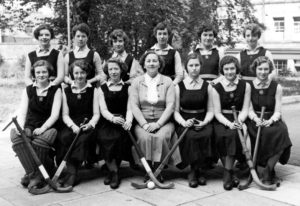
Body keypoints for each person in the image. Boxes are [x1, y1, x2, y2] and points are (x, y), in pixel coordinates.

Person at [130, 51, 181, 182]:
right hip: (143, 121)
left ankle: (158, 169)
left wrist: (158, 124)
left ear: (159, 64)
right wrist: (145, 124)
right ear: (144, 64)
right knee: (144, 137)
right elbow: (134, 106)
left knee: (161, 137)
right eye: (148, 61)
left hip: (163, 121)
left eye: (154, 61)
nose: (151, 63)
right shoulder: (136, 82)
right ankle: (148, 170)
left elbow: (170, 105)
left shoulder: (168, 81)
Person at [10, 60, 62, 190]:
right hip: (30, 125)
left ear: (49, 73)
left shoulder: (56, 90)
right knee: (18, 139)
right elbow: (23, 112)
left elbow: (55, 115)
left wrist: (43, 128)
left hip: (49, 126)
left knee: (39, 143)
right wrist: (20, 127)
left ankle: (34, 175)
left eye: (44, 71)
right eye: (38, 72)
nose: (41, 74)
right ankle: (35, 174)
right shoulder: (28, 90)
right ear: (34, 74)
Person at [247, 56, 292, 185]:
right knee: (262, 133)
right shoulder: (249, 86)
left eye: (266, 69)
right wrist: (256, 119)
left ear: (270, 69)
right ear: (255, 69)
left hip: (271, 118)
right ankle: (260, 167)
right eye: (260, 69)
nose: (263, 72)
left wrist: (270, 121)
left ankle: (268, 169)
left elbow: (278, 110)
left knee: (281, 132)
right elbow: (249, 109)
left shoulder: (276, 87)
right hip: (254, 120)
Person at [56, 60, 99, 187]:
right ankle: (71, 172)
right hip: (71, 124)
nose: (79, 76)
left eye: (82, 73)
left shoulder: (94, 90)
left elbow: (96, 113)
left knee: (82, 140)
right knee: (64, 137)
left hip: (87, 125)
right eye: (76, 73)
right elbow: (65, 114)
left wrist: (90, 124)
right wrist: (73, 126)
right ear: (72, 74)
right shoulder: (66, 90)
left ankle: (73, 175)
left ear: (87, 74)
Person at [174, 53, 214, 188]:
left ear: (201, 66)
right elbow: (175, 111)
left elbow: (210, 110)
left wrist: (205, 122)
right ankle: (192, 171)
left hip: (202, 119)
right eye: (191, 65)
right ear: (186, 68)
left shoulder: (207, 86)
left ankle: (200, 170)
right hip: (185, 120)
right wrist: (183, 122)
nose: (194, 68)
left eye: (197, 65)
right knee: (190, 136)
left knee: (206, 134)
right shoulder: (179, 86)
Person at [212, 55, 251, 190]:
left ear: (237, 69)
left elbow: (245, 109)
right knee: (221, 135)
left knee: (234, 135)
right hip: (222, 120)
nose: (229, 72)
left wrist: (239, 121)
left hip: (239, 118)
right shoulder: (216, 87)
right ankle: (230, 172)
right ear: (222, 70)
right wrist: (229, 124)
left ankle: (227, 173)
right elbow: (217, 113)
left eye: (232, 68)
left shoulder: (245, 85)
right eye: (226, 69)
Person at [97, 58, 133, 189]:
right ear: (107, 71)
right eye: (110, 69)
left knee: (120, 138)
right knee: (105, 138)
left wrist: (128, 121)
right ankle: (115, 173)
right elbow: (103, 110)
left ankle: (111, 170)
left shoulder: (128, 88)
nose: (113, 72)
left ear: (121, 70)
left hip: (123, 121)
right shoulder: (101, 88)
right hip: (107, 121)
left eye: (116, 69)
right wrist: (112, 118)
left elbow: (130, 108)